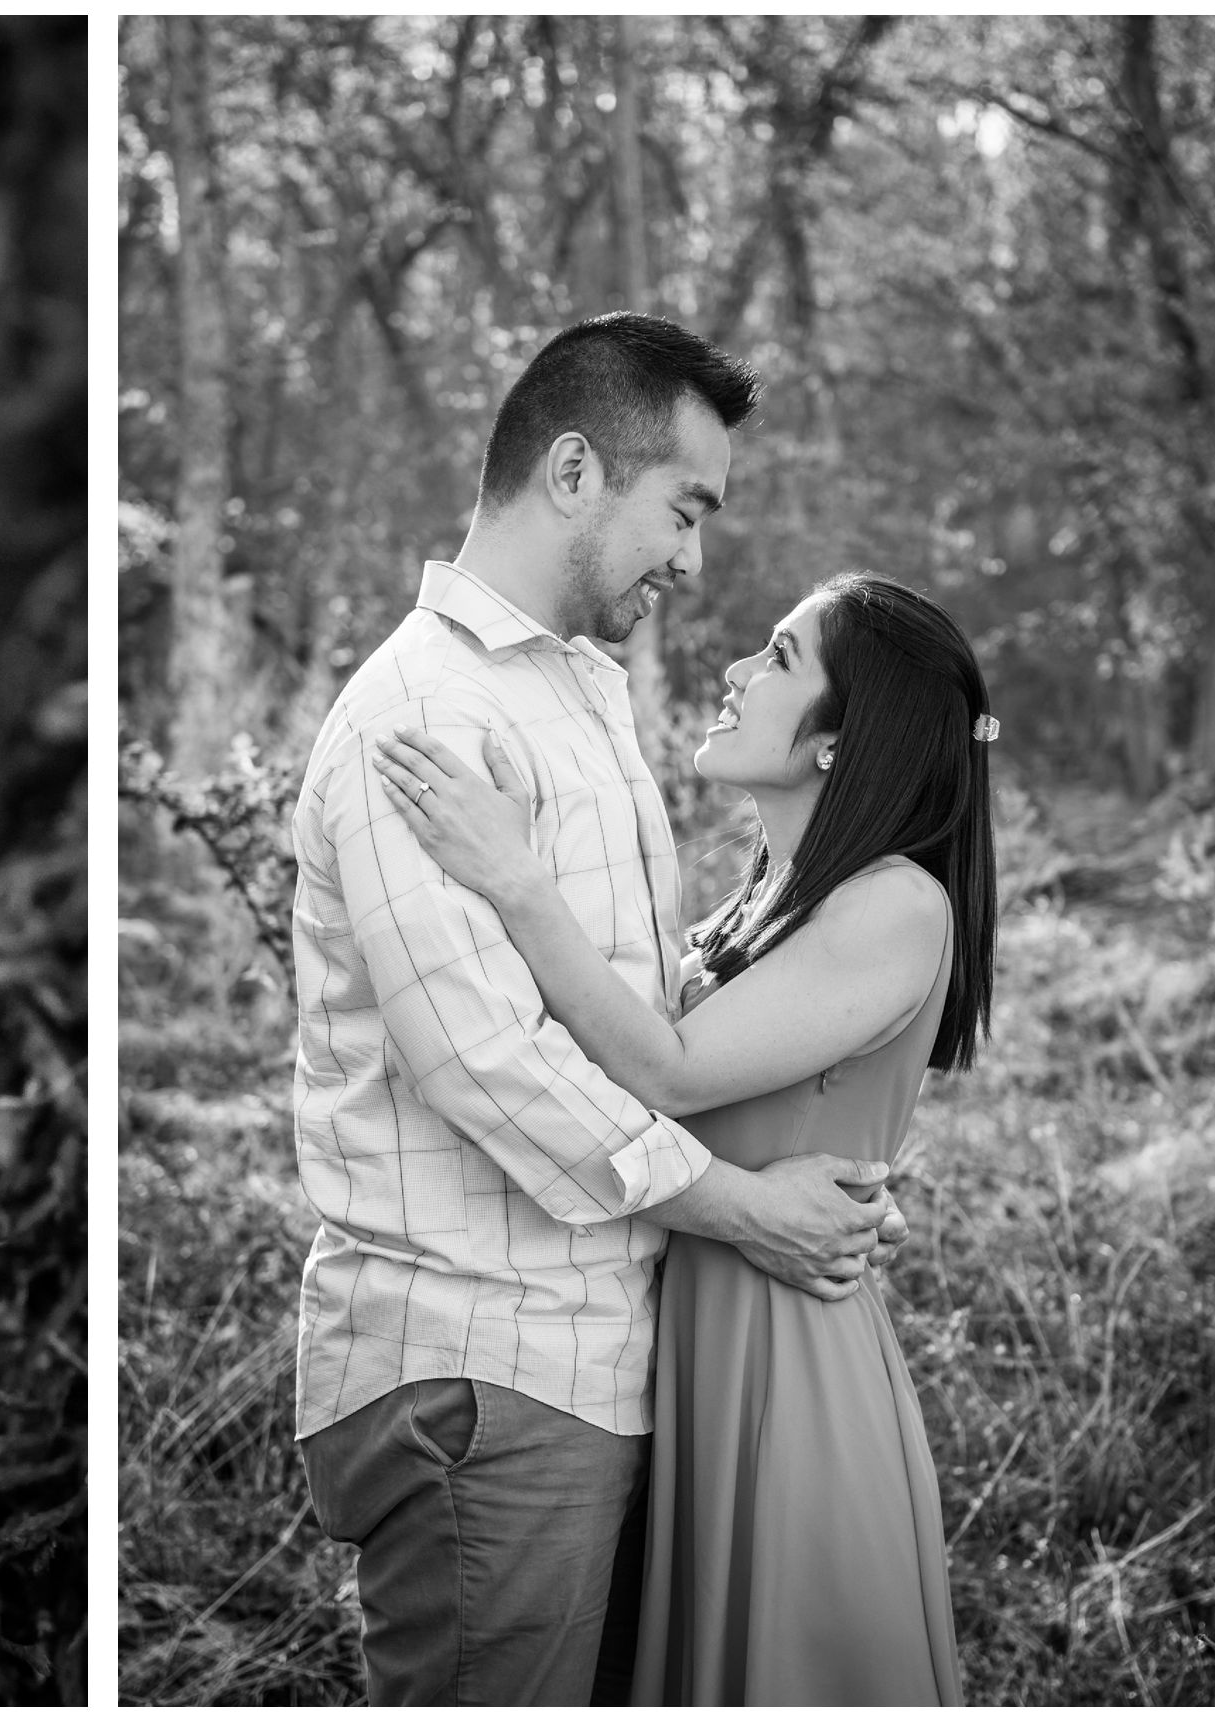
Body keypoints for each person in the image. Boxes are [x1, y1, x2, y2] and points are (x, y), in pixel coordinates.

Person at [289, 311, 907, 1707]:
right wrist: (752, 1211)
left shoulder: (576, 689)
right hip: (479, 1362)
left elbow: (636, 1007)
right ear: (574, 472)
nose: (695, 559)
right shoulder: (423, 716)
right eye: (684, 509)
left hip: (595, 1353)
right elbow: (488, 1067)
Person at [372, 571, 991, 1704]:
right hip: (693, 1338)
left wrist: (511, 876)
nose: (740, 672)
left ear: (840, 743)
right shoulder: (766, 899)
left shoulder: (897, 903)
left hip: (784, 1363)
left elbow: (663, 1068)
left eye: (780, 657)